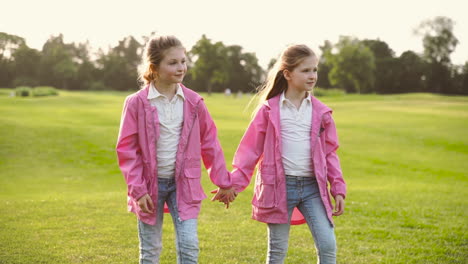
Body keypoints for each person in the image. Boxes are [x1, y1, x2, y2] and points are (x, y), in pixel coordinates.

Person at [116, 35, 236, 264]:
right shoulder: (136, 103)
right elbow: (127, 150)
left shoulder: (194, 102)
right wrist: (138, 190)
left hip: (185, 185)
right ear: (154, 67)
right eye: (173, 63)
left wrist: (224, 181)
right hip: (149, 187)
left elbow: (210, 143)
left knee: (189, 246)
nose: (181, 67)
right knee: (150, 251)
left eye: (183, 61)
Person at [228, 44, 347, 264]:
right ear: (288, 74)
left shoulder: (321, 112)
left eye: (315, 70)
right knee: (277, 251)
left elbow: (330, 154)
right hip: (278, 188)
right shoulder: (269, 110)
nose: (312, 76)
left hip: (313, 188)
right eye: (306, 70)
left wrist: (337, 187)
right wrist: (233, 184)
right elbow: (249, 150)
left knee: (328, 245)